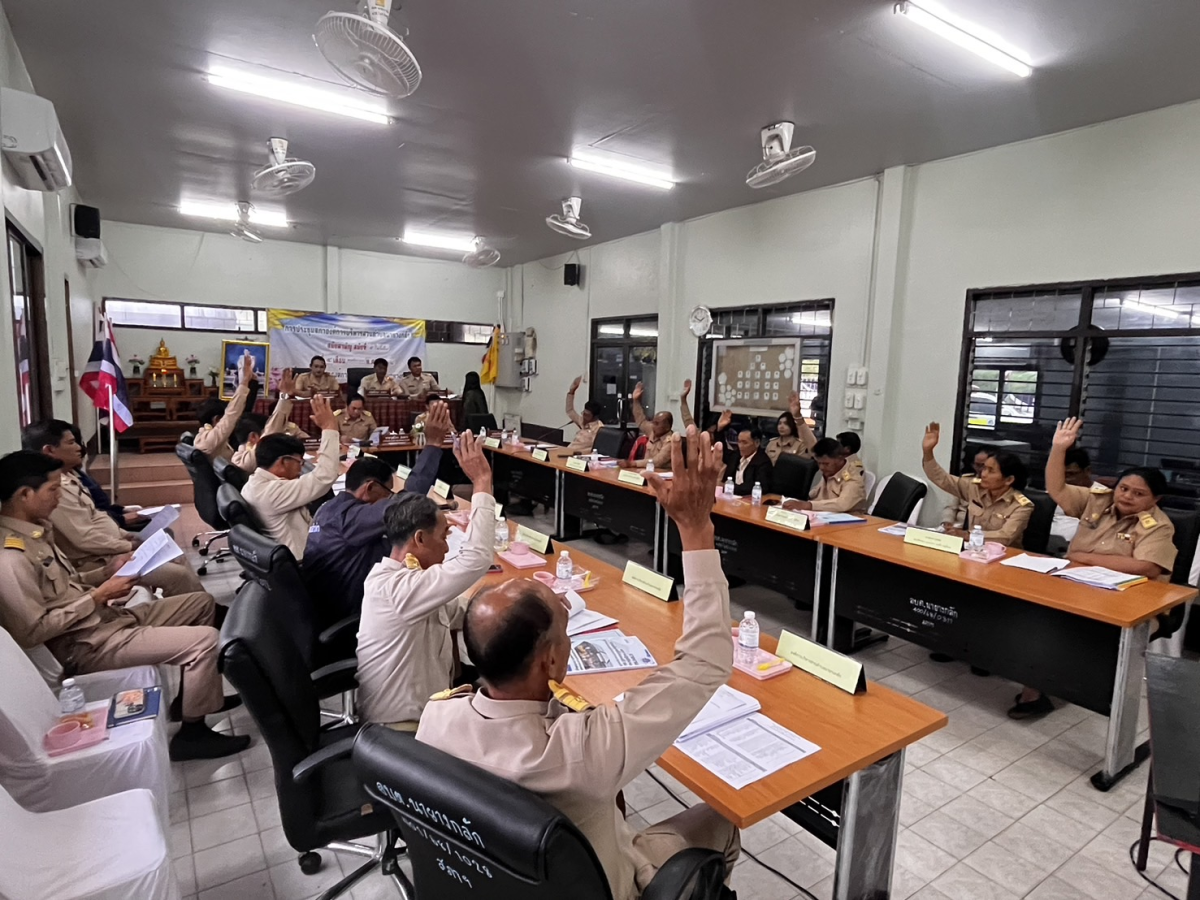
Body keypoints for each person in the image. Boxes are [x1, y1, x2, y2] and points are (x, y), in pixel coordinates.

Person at [417, 428, 740, 900]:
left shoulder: (435, 717)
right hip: (602, 885)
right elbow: (706, 660)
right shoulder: (584, 750)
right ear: (550, 661)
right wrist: (696, 530)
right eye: (564, 628)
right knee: (721, 821)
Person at [0, 452, 248, 760]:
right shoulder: (11, 557)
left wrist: (107, 574)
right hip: (85, 645)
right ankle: (192, 734)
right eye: (52, 490)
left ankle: (190, 700)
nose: (58, 497)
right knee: (204, 640)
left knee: (200, 603)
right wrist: (98, 595)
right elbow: (31, 632)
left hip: (105, 620)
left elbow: (69, 584)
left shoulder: (37, 532)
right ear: (25, 495)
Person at [1010, 417, 1178, 719]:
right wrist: (1058, 449)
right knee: (1031, 614)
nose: (1127, 496)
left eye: (1138, 494)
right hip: (1079, 587)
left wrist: (1086, 557)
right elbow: (1056, 488)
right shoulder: (1098, 501)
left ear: (1156, 499)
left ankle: (1069, 690)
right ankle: (1038, 687)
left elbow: (1146, 566)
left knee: (1067, 630)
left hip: (1134, 603)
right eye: (1124, 488)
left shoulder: (1158, 525)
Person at [356, 433, 495, 730]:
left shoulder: (410, 581)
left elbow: (458, 611)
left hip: (426, 711)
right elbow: (477, 558)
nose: (447, 547)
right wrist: (482, 482)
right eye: (444, 537)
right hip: (402, 728)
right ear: (419, 539)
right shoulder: (397, 589)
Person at [23, 420, 204, 597]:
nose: (79, 447)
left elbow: (97, 515)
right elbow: (84, 539)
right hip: (95, 559)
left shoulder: (70, 476)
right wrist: (128, 545)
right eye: (71, 443)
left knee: (175, 554)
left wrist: (124, 535)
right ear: (49, 450)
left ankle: (203, 607)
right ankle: (196, 609)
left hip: (111, 547)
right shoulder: (54, 491)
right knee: (177, 575)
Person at [304, 402, 450, 620]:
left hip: (325, 607)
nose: (389, 498)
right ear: (370, 488)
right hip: (348, 618)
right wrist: (433, 445)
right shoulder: (350, 518)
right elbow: (406, 501)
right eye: (388, 493)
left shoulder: (329, 509)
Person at [241, 396, 341, 560]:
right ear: (283, 462)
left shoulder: (253, 483)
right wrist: (330, 428)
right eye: (299, 462)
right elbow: (324, 476)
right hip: (307, 561)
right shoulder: (272, 492)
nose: (301, 469)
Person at [921, 423, 1032, 548]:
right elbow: (942, 479)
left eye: (991, 471)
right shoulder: (975, 488)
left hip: (1004, 555)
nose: (983, 474)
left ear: (1009, 480)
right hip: (973, 551)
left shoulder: (1021, 506)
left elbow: (1005, 537)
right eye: (984, 468)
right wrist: (928, 452)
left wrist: (966, 535)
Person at [231, 368, 305, 472]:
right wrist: (285, 397)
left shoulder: (240, 455)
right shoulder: (244, 461)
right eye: (263, 433)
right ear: (253, 437)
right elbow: (271, 432)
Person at [194, 353, 255, 462]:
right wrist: (245, 380)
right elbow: (232, 413)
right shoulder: (211, 439)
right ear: (217, 419)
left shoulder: (202, 435)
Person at [782, 438, 867, 513]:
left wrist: (808, 505)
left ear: (840, 458)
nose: (821, 467)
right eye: (819, 463)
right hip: (821, 515)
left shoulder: (853, 478)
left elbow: (842, 504)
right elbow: (814, 495)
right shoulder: (829, 471)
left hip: (848, 520)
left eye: (826, 464)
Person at [1050, 446, 1099, 542]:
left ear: (1087, 471)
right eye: (1061, 474)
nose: (1065, 479)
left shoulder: (1103, 498)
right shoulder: (1052, 493)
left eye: (1071, 474)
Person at [623, 381, 672, 471]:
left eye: (657, 423)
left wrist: (633, 463)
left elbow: (657, 461)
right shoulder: (652, 430)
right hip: (647, 470)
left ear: (667, 427)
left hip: (662, 474)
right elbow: (641, 420)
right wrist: (636, 401)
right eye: (653, 422)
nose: (653, 426)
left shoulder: (671, 441)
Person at [941, 447, 992, 529]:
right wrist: (947, 522)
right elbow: (951, 507)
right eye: (977, 465)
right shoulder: (965, 481)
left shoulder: (997, 487)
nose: (980, 469)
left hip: (979, 530)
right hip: (957, 525)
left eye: (983, 466)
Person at [565, 376, 604, 453]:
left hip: (580, 455)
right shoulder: (582, 421)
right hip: (568, 450)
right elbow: (570, 411)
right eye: (583, 413)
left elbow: (597, 449)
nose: (584, 416)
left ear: (595, 417)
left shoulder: (599, 429)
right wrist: (571, 391)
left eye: (587, 415)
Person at [732, 429, 773, 496]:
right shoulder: (736, 456)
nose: (740, 446)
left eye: (745, 443)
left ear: (757, 443)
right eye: (739, 442)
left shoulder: (763, 462)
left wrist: (732, 488)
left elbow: (760, 487)